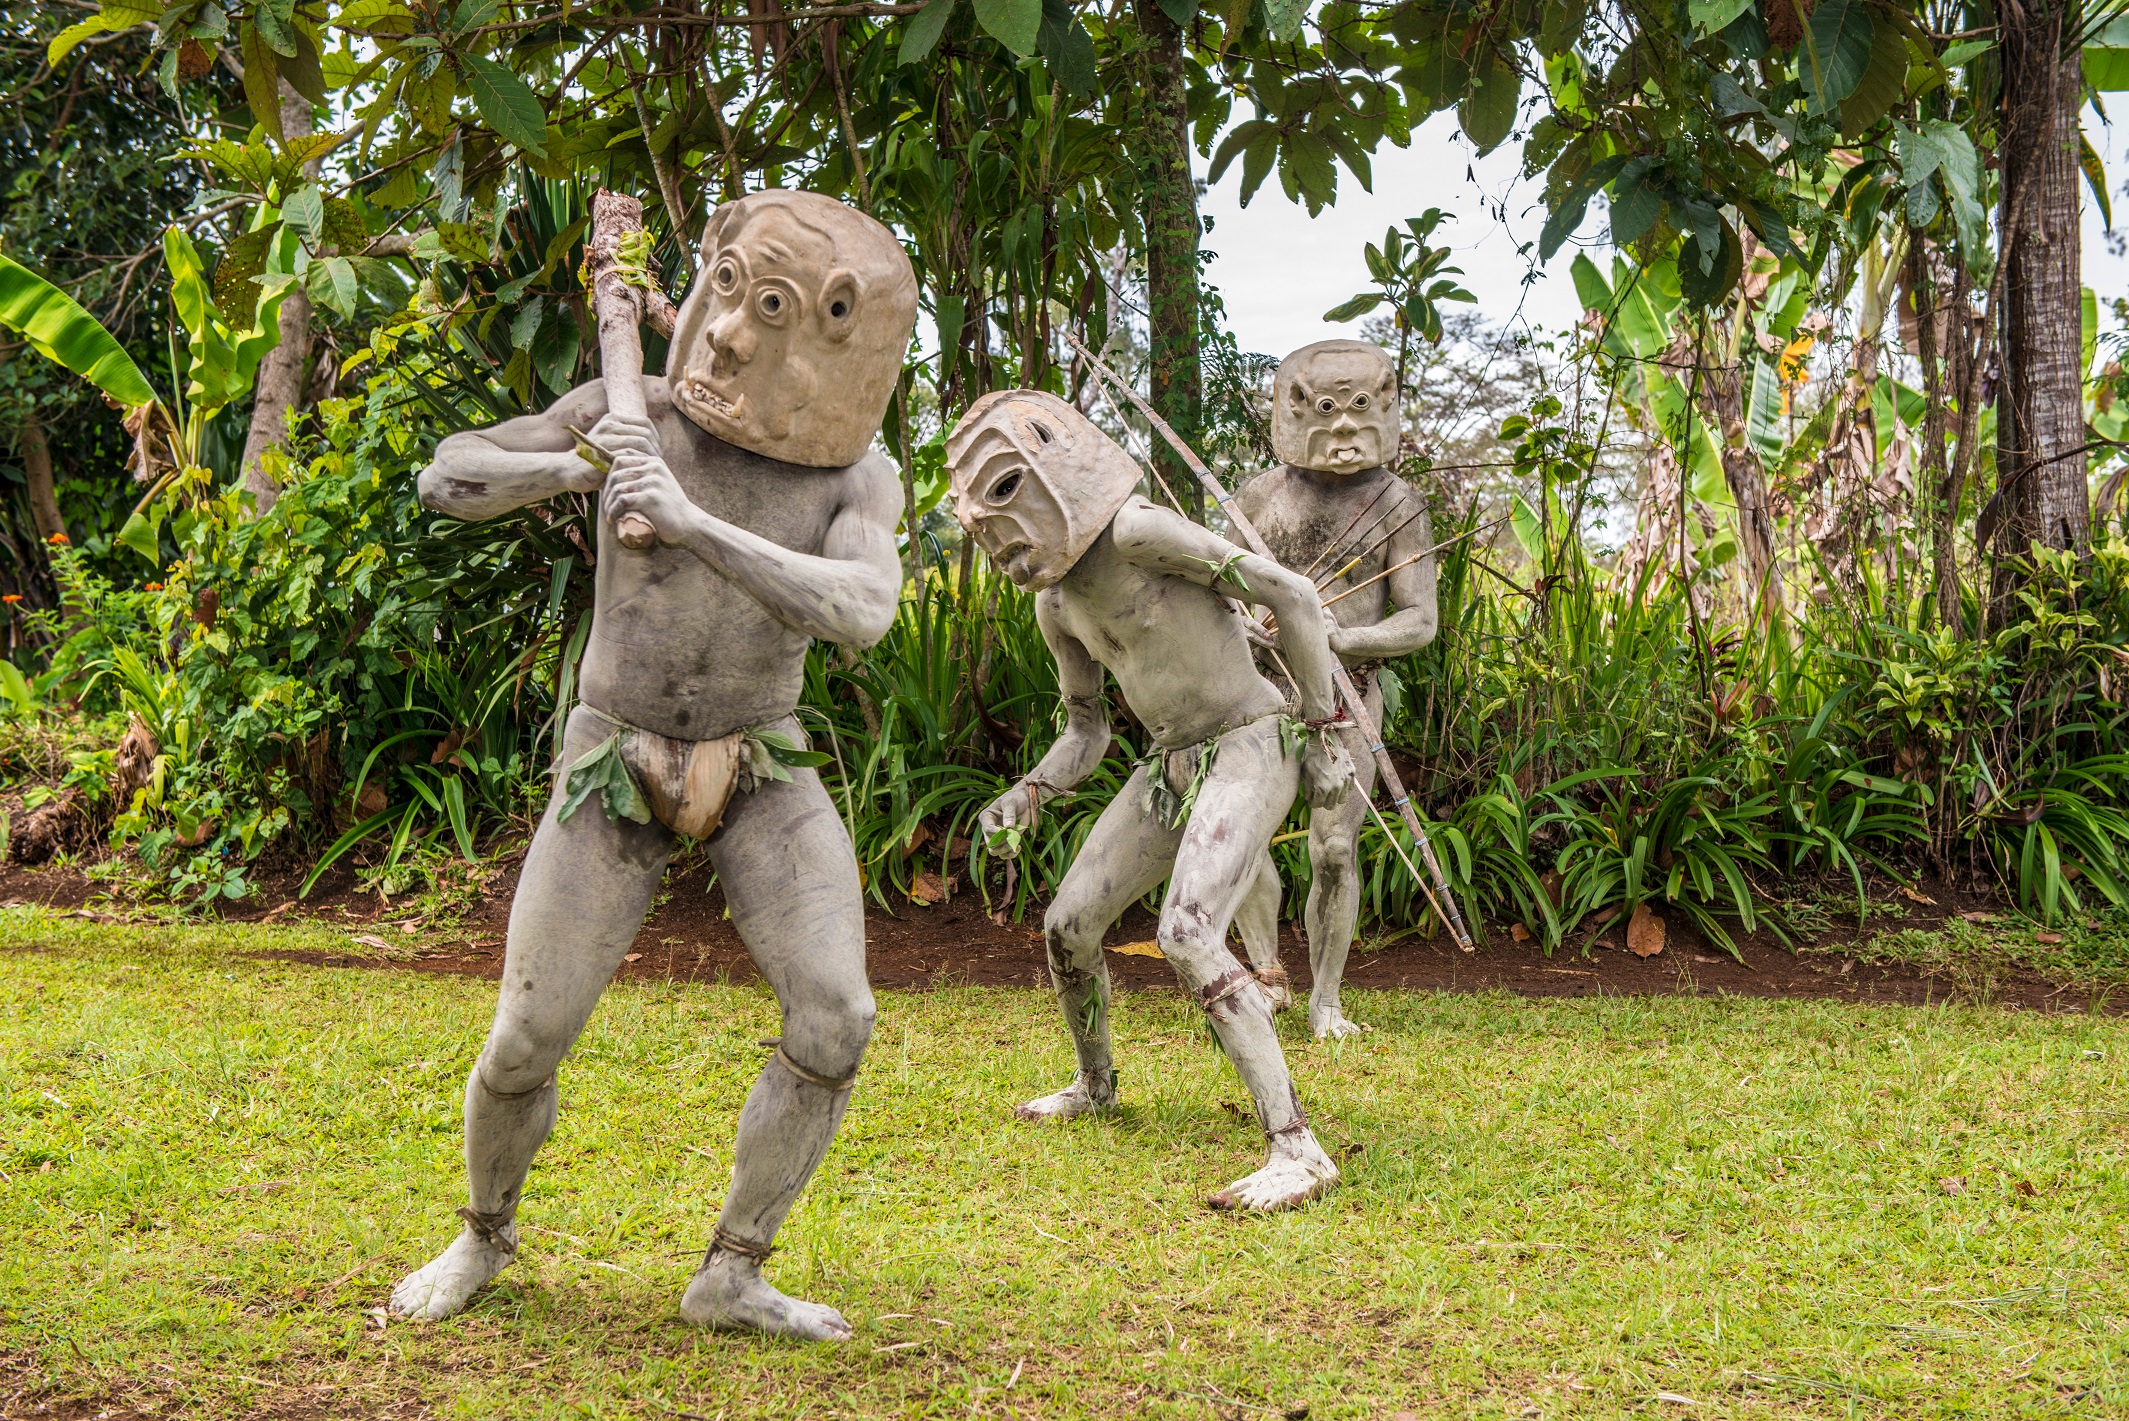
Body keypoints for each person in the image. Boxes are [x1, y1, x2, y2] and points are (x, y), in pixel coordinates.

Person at [388, 190, 918, 1341]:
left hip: (760, 763)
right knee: (525, 1036)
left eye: (769, 311)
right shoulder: (630, 414)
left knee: (837, 1017)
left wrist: (690, 521)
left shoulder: (853, 478)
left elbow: (863, 609)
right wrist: (580, 471)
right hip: (610, 758)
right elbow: (447, 473)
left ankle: (731, 1271)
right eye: (728, 292)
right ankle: (483, 1232)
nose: (728, 334)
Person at [950, 389, 1354, 1211]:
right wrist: (1025, 795)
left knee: (1186, 930)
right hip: (1170, 764)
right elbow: (1086, 733)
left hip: (1250, 739)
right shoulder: (1055, 605)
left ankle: (1297, 1148)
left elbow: (1294, 597)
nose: (999, 538)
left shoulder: (1137, 531)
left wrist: (1326, 735)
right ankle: (1094, 1084)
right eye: (981, 527)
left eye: (1004, 499)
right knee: (1067, 924)